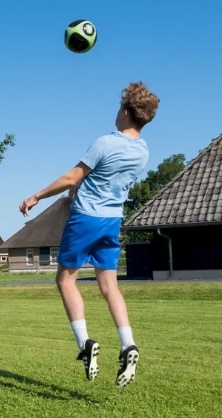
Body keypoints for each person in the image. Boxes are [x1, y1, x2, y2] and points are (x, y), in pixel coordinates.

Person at [18, 82, 159, 389]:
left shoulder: (106, 142)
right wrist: (81, 187)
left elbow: (72, 177)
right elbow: (107, 180)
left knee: (65, 280)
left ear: (125, 112)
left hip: (86, 219)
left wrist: (36, 196)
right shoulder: (143, 151)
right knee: (109, 286)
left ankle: (85, 344)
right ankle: (128, 345)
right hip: (112, 222)